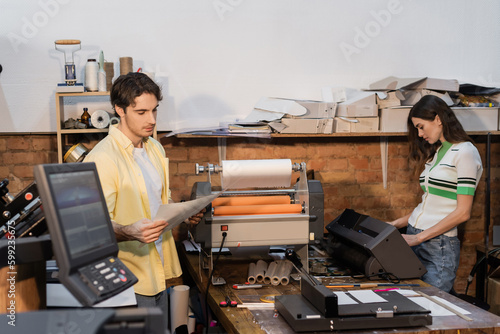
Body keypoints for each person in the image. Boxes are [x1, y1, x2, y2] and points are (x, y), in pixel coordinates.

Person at [84, 73, 202, 314]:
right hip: (126, 279)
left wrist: (182, 213)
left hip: (157, 270)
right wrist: (127, 232)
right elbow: (92, 228)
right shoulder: (102, 158)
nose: (152, 120)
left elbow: (160, 200)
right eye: (141, 112)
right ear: (120, 109)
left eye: (154, 110)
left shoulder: (154, 148)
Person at [388, 95, 483, 292]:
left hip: (438, 244)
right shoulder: (438, 151)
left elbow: (463, 212)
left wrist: (419, 238)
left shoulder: (465, 152)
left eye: (421, 126)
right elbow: (429, 204)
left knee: (433, 306)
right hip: (415, 235)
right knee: (413, 302)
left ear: (438, 119)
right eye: (417, 129)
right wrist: (395, 224)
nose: (420, 134)